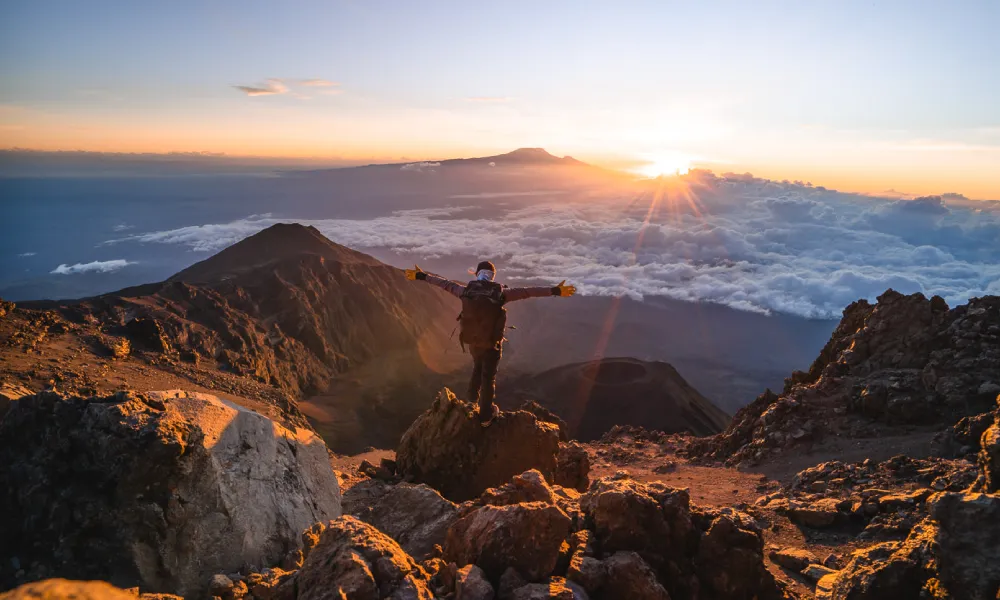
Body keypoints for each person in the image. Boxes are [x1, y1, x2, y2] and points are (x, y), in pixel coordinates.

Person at [406, 260, 576, 422]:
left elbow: (444, 283)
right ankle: (485, 416)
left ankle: (471, 402)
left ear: (477, 274)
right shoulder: (500, 293)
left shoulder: (465, 291)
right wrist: (555, 291)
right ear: (492, 275)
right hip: (492, 344)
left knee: (477, 368)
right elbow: (528, 292)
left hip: (473, 341)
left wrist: (421, 276)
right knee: (488, 377)